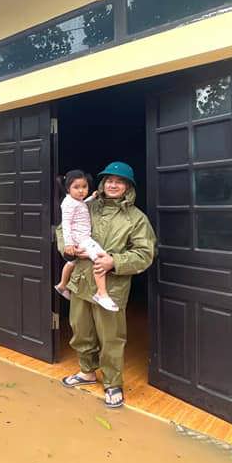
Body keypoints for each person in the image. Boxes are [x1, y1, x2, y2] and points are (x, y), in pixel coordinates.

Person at [58, 162, 157, 409]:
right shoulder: (86, 206)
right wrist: (68, 248)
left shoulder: (136, 219)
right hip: (81, 281)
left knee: (111, 338)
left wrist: (115, 261)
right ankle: (87, 372)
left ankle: (113, 383)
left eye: (120, 181)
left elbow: (145, 253)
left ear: (128, 187)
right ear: (102, 184)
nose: (113, 185)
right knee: (80, 330)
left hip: (110, 288)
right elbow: (63, 229)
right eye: (109, 180)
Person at [53, 170, 118, 311]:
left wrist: (91, 198)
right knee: (101, 259)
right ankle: (102, 293)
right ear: (68, 188)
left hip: (80, 238)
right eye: (77, 187)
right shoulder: (68, 204)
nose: (82, 191)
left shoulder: (75, 200)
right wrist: (69, 244)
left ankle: (62, 285)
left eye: (84, 187)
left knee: (72, 262)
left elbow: (82, 204)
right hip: (82, 239)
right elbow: (66, 224)